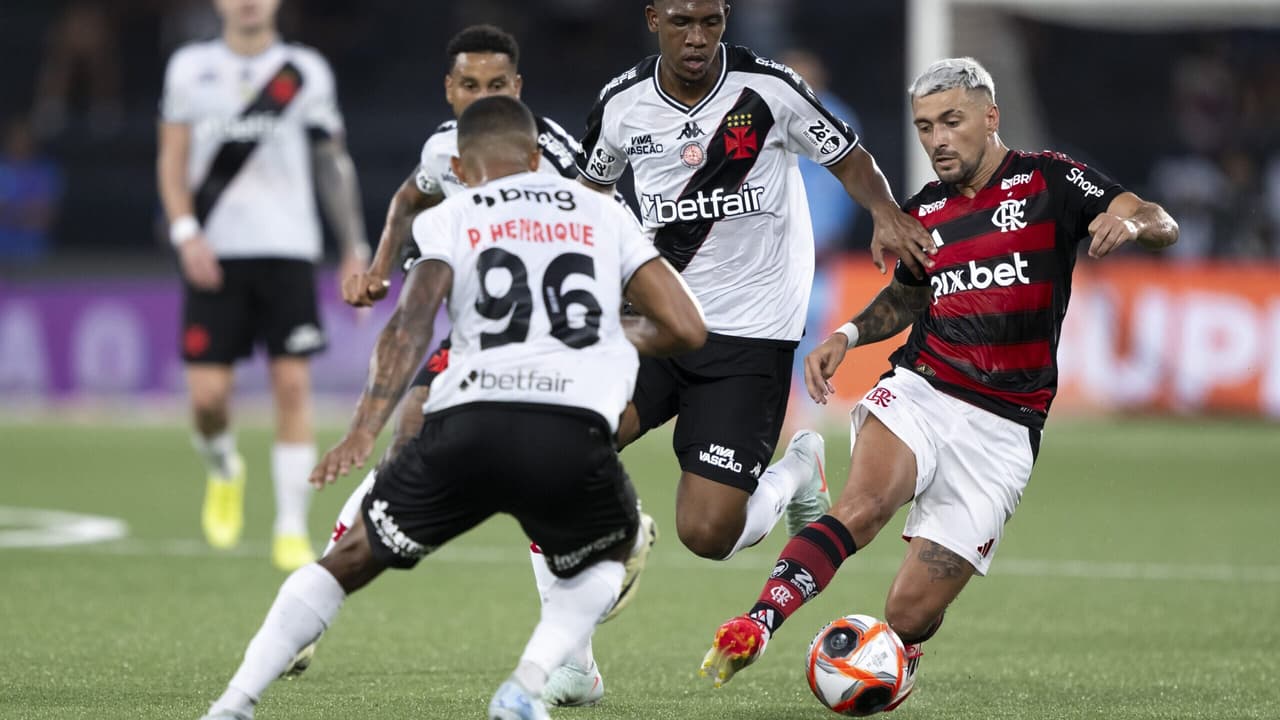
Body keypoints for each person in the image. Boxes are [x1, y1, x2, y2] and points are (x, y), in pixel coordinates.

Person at [196, 95, 707, 720]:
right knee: (611, 549)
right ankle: (525, 685)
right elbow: (685, 327)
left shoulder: (452, 215)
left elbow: (410, 326)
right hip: (567, 432)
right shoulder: (603, 212)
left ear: (462, 169)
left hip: (467, 425)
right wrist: (596, 334)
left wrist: (363, 430)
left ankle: (234, 703)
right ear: (538, 156)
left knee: (349, 558)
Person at [699, 57, 1179, 712]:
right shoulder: (923, 211)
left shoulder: (1050, 180)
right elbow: (905, 300)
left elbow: (1155, 216)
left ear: (990, 117)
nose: (937, 139)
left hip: (1006, 428)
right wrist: (845, 335)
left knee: (911, 611)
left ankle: (903, 649)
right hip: (924, 388)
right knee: (866, 505)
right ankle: (758, 620)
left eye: (951, 121)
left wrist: (1135, 223)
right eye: (925, 127)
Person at [300, 26, 656, 705]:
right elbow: (411, 196)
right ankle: (319, 604)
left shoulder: (554, 155)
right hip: (483, 333)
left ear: (517, 89)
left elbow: (615, 235)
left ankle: (592, 611)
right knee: (410, 441)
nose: (481, 97)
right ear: (449, 89)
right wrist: (378, 270)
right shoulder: (445, 148)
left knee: (536, 489)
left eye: (496, 86)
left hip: (558, 344)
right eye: (470, 86)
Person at [157, 0, 368, 571]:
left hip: (288, 251)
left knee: (293, 389)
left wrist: (353, 245)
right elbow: (171, 161)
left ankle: (289, 528)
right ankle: (224, 467)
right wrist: (185, 233)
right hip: (213, 256)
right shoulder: (189, 68)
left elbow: (333, 163)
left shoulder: (305, 71)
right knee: (207, 400)